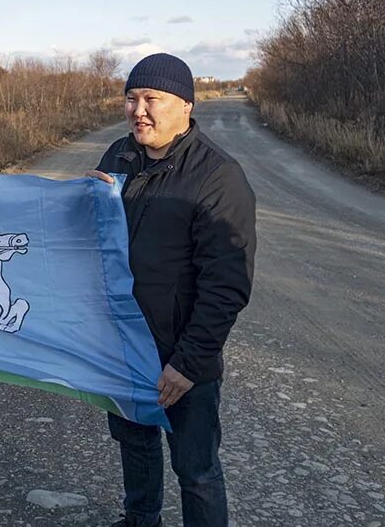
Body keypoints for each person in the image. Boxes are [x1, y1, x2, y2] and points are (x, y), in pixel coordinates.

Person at [86, 53, 256, 527]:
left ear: (185, 105)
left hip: (181, 357)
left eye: (151, 99)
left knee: (196, 470)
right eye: (131, 99)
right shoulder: (119, 157)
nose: (139, 110)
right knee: (135, 447)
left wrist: (188, 363)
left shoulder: (217, 177)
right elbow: (98, 244)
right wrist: (85, 201)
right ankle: (141, 521)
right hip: (124, 347)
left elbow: (227, 285)